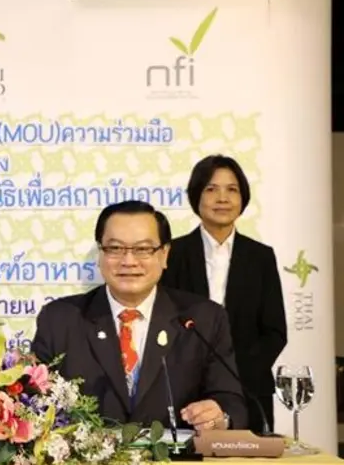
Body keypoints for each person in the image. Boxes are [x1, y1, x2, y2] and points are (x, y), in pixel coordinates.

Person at [31, 200, 248, 431]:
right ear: (100, 253)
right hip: (86, 455)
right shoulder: (60, 320)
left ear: (164, 255)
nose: (129, 261)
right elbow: (33, 401)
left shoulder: (202, 319)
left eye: (143, 249)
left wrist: (219, 416)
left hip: (179, 454)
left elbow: (232, 403)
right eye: (115, 249)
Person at [160, 154, 286, 434]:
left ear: (243, 198)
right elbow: (163, 324)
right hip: (185, 396)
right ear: (196, 197)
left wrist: (231, 376)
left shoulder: (261, 257)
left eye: (232, 189)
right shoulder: (173, 254)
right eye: (211, 189)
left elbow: (275, 332)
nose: (222, 198)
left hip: (249, 390)